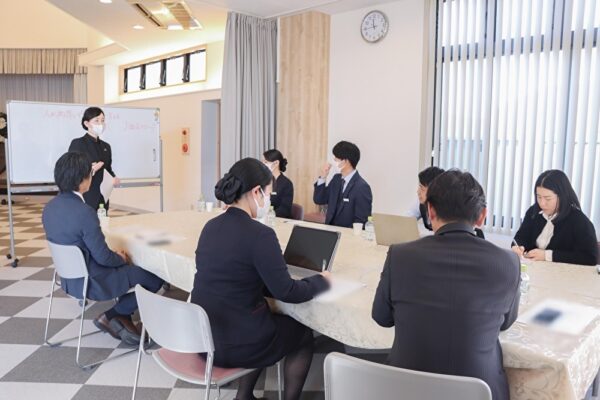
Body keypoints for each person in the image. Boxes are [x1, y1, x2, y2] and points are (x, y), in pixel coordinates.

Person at [372, 170, 520, 400]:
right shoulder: (508, 262)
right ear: (482, 216)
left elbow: (381, 317)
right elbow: (506, 323)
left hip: (407, 391)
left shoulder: (400, 255)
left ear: (430, 211)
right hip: (480, 391)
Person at [191, 158, 330, 400]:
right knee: (302, 334)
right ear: (256, 192)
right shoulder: (261, 234)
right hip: (238, 345)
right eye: (268, 193)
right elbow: (287, 292)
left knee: (258, 319)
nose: (268, 200)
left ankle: (243, 396)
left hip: (203, 340)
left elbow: (235, 273)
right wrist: (322, 281)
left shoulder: (210, 227)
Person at [42, 151, 164, 346]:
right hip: (93, 281)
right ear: (82, 180)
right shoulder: (85, 212)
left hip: (68, 279)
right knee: (155, 277)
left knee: (128, 269)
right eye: (90, 173)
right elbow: (104, 258)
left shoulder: (49, 207)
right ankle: (112, 315)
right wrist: (120, 258)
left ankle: (123, 318)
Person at [512, 170, 598, 266]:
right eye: (539, 197)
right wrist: (517, 247)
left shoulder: (579, 221)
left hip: (563, 273)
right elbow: (520, 237)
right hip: (533, 269)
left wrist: (547, 255)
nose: (542, 203)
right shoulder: (533, 212)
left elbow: (590, 258)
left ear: (562, 196)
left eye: (547, 198)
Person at [69, 107, 120, 211]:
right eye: (96, 120)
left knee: (102, 220)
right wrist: (91, 169)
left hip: (103, 196)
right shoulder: (78, 143)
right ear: (87, 123)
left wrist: (114, 178)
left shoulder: (106, 146)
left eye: (102, 120)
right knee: (86, 220)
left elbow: (108, 169)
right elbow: (72, 169)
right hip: (86, 195)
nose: (101, 124)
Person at [313, 141, 373, 228]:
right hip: (329, 231)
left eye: (336, 158)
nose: (333, 161)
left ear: (346, 161)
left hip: (347, 234)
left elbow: (361, 221)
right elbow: (319, 200)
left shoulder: (362, 187)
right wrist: (322, 177)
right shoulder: (336, 179)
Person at [262, 149, 294, 218]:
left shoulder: (287, 184)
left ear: (276, 163)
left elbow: (285, 210)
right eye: (262, 162)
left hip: (276, 219)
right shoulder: (263, 181)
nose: (263, 165)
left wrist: (268, 214)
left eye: (266, 162)